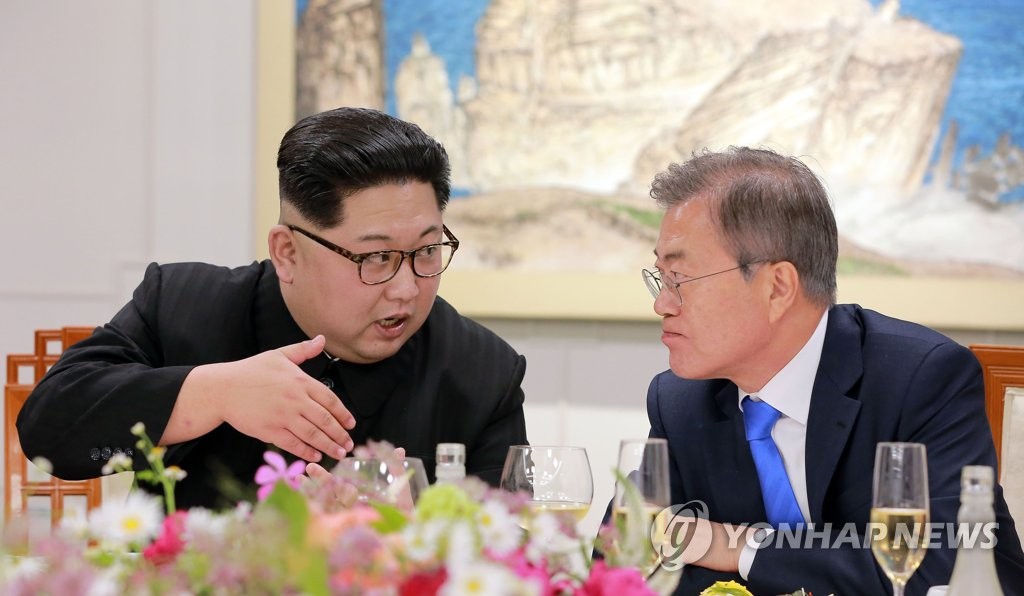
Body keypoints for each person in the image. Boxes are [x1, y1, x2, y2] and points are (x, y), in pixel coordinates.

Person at [17, 107, 528, 510]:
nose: (406, 289)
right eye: (377, 258)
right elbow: (50, 432)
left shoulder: (481, 371)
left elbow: (516, 554)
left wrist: (417, 542)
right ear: (287, 252)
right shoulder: (184, 306)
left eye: (427, 250)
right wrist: (214, 392)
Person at [638, 147, 1024, 594]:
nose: (661, 304)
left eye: (679, 279)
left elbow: (951, 566)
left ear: (777, 287)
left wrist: (740, 548)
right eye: (660, 278)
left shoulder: (920, 379)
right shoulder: (681, 401)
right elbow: (628, 559)